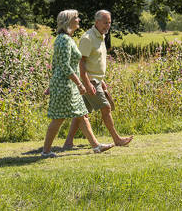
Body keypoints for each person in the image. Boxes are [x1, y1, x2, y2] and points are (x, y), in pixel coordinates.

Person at [41, 9, 114, 158]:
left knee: (81, 114)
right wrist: (79, 84)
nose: (79, 20)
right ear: (68, 21)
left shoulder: (67, 39)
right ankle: (46, 151)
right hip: (65, 85)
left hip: (66, 84)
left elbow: (57, 64)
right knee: (58, 118)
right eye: (76, 18)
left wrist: (52, 83)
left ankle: (96, 146)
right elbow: (64, 66)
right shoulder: (63, 40)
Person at [63, 10, 133, 148]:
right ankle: (117, 139)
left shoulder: (101, 36)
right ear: (97, 22)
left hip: (96, 80)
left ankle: (68, 142)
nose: (107, 26)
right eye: (105, 22)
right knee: (106, 107)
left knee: (81, 113)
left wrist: (102, 80)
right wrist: (87, 83)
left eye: (109, 23)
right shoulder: (88, 38)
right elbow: (80, 62)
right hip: (90, 81)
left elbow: (96, 61)